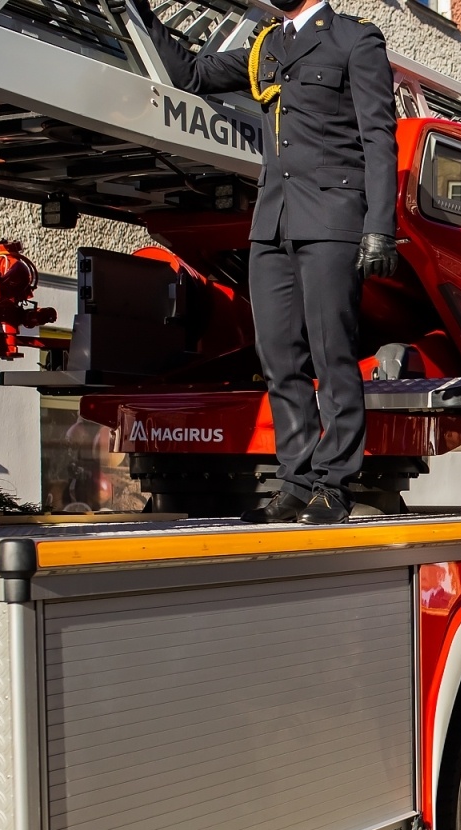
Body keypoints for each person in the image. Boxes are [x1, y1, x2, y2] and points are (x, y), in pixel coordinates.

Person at [128, 0, 399, 524]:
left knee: (331, 354)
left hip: (332, 218)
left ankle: (334, 485)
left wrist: (379, 229)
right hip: (272, 222)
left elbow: (378, 139)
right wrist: (140, 13)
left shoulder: (354, 39)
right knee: (278, 357)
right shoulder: (266, 45)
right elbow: (191, 74)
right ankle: (297, 480)